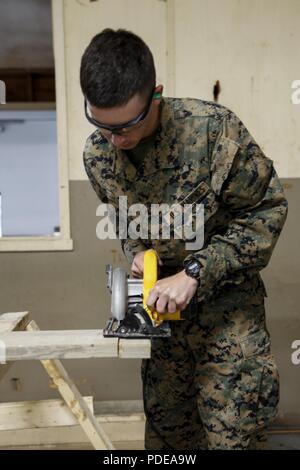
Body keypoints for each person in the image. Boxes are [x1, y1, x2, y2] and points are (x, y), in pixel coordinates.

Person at [80, 29, 288, 450]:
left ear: (155, 95)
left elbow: (266, 213)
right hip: (161, 330)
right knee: (168, 444)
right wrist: (139, 254)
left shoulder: (214, 134)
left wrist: (195, 271)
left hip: (228, 321)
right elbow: (126, 222)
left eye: (128, 125)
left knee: (234, 439)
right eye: (103, 126)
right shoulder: (98, 156)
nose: (117, 140)